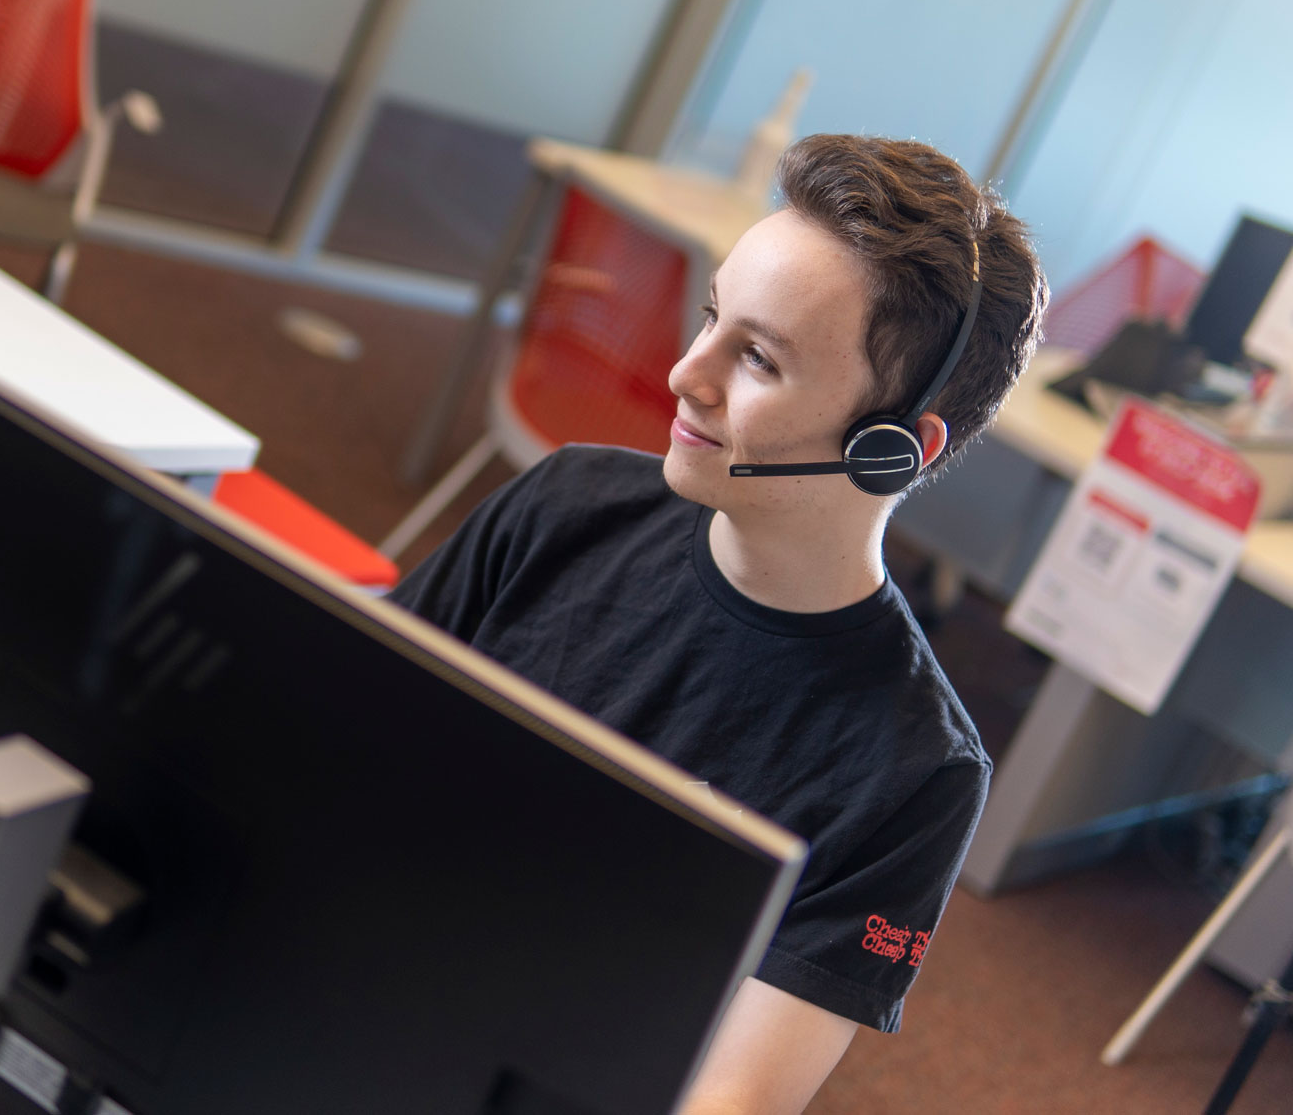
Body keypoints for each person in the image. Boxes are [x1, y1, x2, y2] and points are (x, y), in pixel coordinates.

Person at [391, 134, 1048, 1111]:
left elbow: (733, 1096)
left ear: (890, 451)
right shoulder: (565, 504)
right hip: (351, 968)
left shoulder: (915, 770)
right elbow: (343, 722)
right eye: (709, 320)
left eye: (756, 359)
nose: (682, 376)